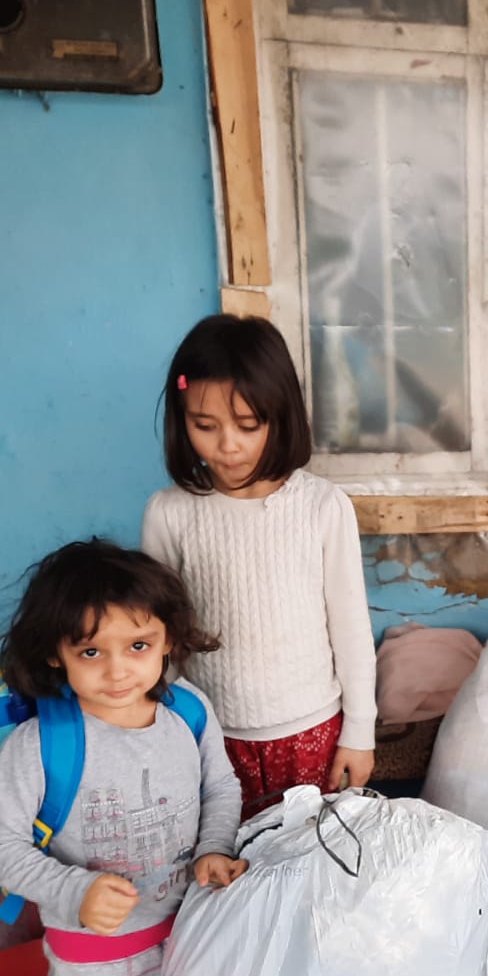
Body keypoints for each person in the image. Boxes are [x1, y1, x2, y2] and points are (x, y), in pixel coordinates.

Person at [0, 540, 246, 976]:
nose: (119, 670)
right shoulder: (39, 744)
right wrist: (75, 891)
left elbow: (220, 787)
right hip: (96, 974)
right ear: (56, 653)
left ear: (168, 639)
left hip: (189, 944)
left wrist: (213, 848)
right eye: (91, 652)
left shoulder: (188, 710)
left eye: (139, 646)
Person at [142, 314, 378, 813]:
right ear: (181, 420)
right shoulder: (169, 512)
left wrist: (360, 731)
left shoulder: (323, 506)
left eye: (249, 426)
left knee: (311, 852)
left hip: (313, 732)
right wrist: (161, 726)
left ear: (281, 416)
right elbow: (158, 635)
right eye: (204, 426)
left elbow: (351, 628)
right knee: (224, 855)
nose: (228, 445)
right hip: (210, 735)